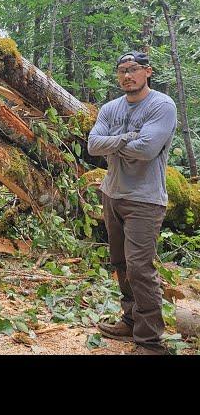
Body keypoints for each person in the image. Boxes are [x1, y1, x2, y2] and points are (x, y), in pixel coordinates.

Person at [88, 51, 177, 355]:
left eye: (134, 69)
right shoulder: (110, 108)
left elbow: (148, 149)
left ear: (147, 72)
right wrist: (127, 138)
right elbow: (92, 144)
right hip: (112, 193)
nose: (127, 75)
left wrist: (113, 144)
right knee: (120, 263)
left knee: (140, 268)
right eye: (122, 71)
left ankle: (151, 343)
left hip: (144, 200)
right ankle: (129, 320)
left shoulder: (162, 105)